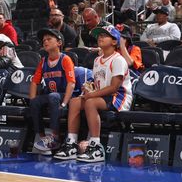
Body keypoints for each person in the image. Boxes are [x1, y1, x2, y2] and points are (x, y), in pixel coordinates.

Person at [55, 26, 132, 162]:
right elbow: (98, 84)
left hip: (119, 97)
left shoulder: (118, 60)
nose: (100, 37)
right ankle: (71, 143)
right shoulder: (97, 60)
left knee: (90, 102)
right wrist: (89, 89)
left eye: (105, 35)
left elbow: (114, 88)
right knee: (75, 101)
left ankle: (95, 145)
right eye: (99, 35)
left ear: (114, 42)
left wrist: (91, 95)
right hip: (102, 96)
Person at [29, 29, 75, 155]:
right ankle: (42, 136)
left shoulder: (65, 59)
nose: (45, 41)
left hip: (65, 96)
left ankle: (55, 136)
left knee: (53, 96)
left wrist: (64, 103)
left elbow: (71, 83)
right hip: (51, 96)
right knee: (35, 101)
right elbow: (34, 82)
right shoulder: (43, 61)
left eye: (49, 39)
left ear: (59, 42)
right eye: (44, 40)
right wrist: (33, 100)